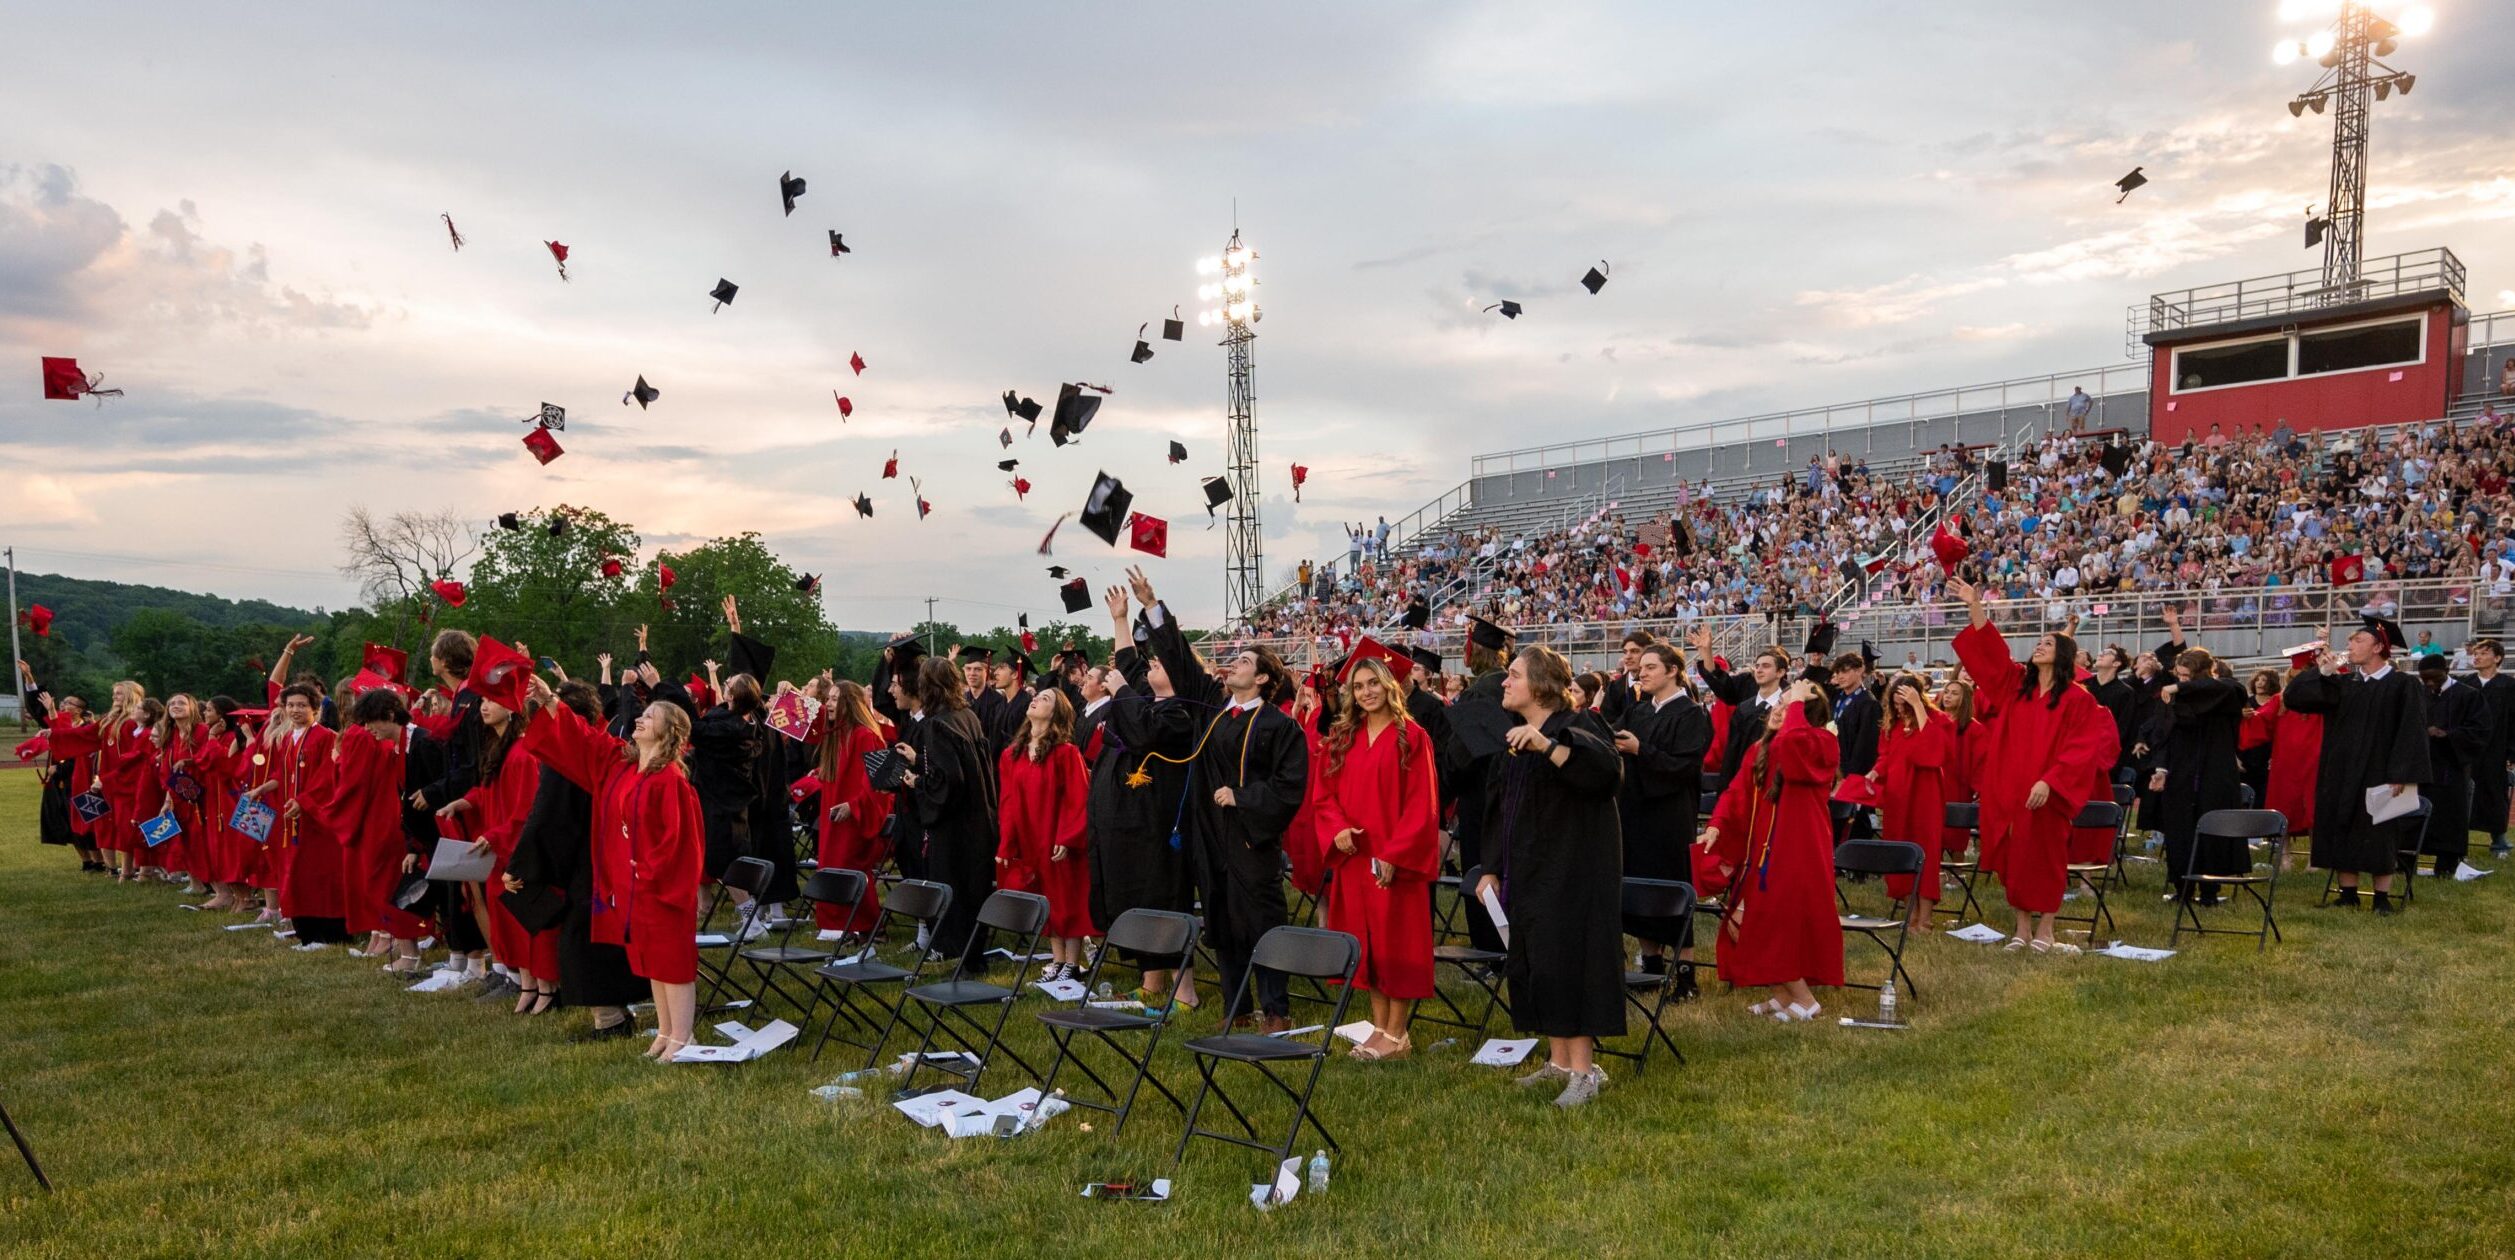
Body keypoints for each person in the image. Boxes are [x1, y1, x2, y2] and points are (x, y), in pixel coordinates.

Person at [1132, 566, 1307, 1032]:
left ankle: (1276, 1009)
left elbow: (1291, 787)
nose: (1235, 663)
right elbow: (1183, 663)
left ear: (1266, 679)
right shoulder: (1212, 708)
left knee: (1262, 924)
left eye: (1246, 661)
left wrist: (1244, 798)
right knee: (1224, 923)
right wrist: (1153, 607)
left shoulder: (1280, 727)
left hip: (1251, 840)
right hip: (1209, 838)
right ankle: (1238, 1006)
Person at [520, 669, 706, 1060]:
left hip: (660, 887)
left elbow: (681, 842)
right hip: (634, 886)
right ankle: (665, 1033)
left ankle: (683, 1038)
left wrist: (650, 874)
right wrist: (551, 701)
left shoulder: (671, 781)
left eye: (649, 716)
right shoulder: (622, 766)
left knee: (672, 961)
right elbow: (586, 741)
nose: (639, 718)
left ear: (669, 731)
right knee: (652, 962)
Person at [1474, 645, 1625, 1108]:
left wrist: (1550, 747)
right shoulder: (1516, 737)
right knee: (1540, 962)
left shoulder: (1575, 726)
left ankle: (1584, 1071)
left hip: (1574, 872)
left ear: (1540, 684)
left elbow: (1607, 774)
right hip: (1530, 873)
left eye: (1514, 675)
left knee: (1568, 962)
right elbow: (1498, 813)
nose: (1504, 682)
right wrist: (1491, 868)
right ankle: (1559, 1061)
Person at [1947, 575, 2118, 954]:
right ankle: (2021, 930)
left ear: (2064, 655)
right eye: (2039, 642)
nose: (2040, 646)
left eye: (2049, 643)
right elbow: (1991, 655)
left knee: (2045, 857)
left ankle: (2046, 930)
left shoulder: (2078, 700)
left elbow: (2080, 748)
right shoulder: (2017, 686)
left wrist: (2051, 781)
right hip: (2008, 787)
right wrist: (1975, 605)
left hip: (2047, 791)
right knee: (2013, 858)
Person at [1311, 653, 1441, 1061]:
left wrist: (1395, 854)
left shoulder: (1412, 736)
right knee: (1367, 945)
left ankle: (1398, 1034)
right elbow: (1323, 797)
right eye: (1359, 685)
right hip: (1355, 857)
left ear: (1390, 686)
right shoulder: (1343, 737)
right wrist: (1337, 831)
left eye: (1373, 684)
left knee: (1395, 944)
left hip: (1393, 860)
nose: (1366, 692)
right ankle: (1379, 1029)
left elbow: (1423, 805)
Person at [506, 679, 648, 1039]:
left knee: (584, 940)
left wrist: (524, 865)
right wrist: (551, 699)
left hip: (593, 861)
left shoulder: (600, 755)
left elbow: (548, 816)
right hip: (601, 857)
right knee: (596, 937)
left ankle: (611, 1019)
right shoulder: (594, 748)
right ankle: (615, 1015)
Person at [1700, 679, 1843, 1021]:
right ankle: (1781, 995)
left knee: (1776, 922)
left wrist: (1797, 706)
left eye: (1789, 706)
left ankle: (1805, 1001)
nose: (1779, 711)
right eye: (1780, 706)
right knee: (1740, 920)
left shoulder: (1821, 742)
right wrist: (1716, 824)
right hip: (1761, 849)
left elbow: (1795, 752)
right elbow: (1736, 792)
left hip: (1797, 847)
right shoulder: (1760, 749)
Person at [1093, 588, 1201, 1008]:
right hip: (1130, 822)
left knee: (1165, 897)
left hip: (1161, 823)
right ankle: (1152, 981)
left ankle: (1186, 992)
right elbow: (1127, 662)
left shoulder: (1180, 711)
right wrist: (1120, 618)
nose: (1150, 665)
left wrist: (1121, 693)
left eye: (1159, 663)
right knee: (1137, 895)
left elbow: (1142, 729)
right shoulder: (1147, 695)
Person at [2282, 616, 2430, 914]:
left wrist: (2401, 773)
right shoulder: (2343, 683)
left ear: (2378, 647)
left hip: (2380, 770)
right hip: (2340, 770)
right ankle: (2347, 893)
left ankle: (2381, 898)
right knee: (2341, 826)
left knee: (2379, 831)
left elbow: (2411, 731)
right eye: (2349, 640)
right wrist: (2321, 673)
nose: (2350, 645)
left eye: (2358, 640)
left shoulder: (2403, 684)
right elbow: (2294, 699)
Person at [1610, 641, 1711, 988]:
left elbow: (1684, 767)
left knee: (1670, 891)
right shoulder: (1638, 710)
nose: (1642, 672)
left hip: (1669, 816)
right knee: (1637, 891)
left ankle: (1685, 978)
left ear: (1672, 671)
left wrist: (1642, 750)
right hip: (1634, 813)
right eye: (1642, 667)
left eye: (1651, 666)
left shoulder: (1691, 714)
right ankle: (1651, 968)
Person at [900, 655, 999, 966]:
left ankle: (962, 955)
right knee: (973, 889)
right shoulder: (966, 715)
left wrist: (918, 782)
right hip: (979, 816)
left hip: (956, 825)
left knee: (955, 889)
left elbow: (949, 782)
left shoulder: (937, 724)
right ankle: (973, 955)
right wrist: (920, 760)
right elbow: (962, 767)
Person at [2146, 631, 2250, 904]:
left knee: (2212, 830)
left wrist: (2180, 688)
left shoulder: (2226, 691)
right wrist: (2161, 769)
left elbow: (2223, 688)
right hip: (2181, 774)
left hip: (2214, 773)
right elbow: (2163, 736)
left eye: (2187, 676)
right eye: (2178, 675)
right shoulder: (2174, 698)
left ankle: (2210, 890)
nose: (2181, 681)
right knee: (2179, 832)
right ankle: (2182, 888)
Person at [995, 688, 1092, 980]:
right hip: (1029, 837)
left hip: (1058, 838)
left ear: (1056, 714)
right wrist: (1006, 844)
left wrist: (1068, 837)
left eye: (1046, 699)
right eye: (1037, 697)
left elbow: (1078, 798)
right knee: (1045, 897)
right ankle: (1057, 960)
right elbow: (1008, 803)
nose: (1036, 699)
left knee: (1066, 896)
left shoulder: (1066, 753)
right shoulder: (1011, 755)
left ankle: (1073, 964)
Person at [805, 680, 896, 940]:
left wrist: (854, 805)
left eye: (834, 699)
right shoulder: (837, 733)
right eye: (828, 699)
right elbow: (808, 719)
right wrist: (790, 695)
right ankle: (837, 923)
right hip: (834, 812)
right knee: (831, 864)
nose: (828, 704)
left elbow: (882, 784)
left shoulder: (868, 735)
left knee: (851, 867)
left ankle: (870, 926)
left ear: (849, 704)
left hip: (856, 814)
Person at [265, 682, 351, 946]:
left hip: (317, 821)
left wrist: (303, 802)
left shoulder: (325, 737)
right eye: (290, 705)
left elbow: (327, 778)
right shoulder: (288, 739)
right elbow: (283, 775)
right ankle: (306, 933)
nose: (295, 710)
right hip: (295, 820)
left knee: (320, 876)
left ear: (315, 708)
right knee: (297, 875)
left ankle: (329, 934)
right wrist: (263, 788)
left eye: (302, 705)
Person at [1870, 673, 1957, 932]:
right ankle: (1911, 913)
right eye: (1895, 704)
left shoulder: (1938, 720)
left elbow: (1935, 753)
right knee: (1899, 847)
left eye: (1904, 703)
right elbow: (1885, 756)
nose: (1899, 709)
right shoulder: (1892, 725)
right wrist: (1875, 772)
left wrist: (1919, 707)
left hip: (1925, 793)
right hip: (1897, 795)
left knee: (1925, 850)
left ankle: (1926, 918)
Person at [2415, 654, 2485, 879]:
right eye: (2424, 678)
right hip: (2423, 765)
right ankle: (2406, 860)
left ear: (2446, 670)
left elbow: (2480, 730)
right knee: (2414, 815)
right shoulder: (2421, 694)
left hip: (2451, 766)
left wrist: (2448, 735)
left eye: (2433, 677)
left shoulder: (2468, 695)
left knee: (2449, 816)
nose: (2429, 683)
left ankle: (2446, 864)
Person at [2461, 638, 2515, 860]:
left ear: (2497, 658)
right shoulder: (2465, 683)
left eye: (2483, 653)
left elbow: (2514, 722)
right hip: (2466, 750)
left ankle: (2499, 841)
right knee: (2462, 794)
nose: (2477, 656)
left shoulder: (2510, 686)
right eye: (2475, 653)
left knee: (2495, 794)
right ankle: (2458, 841)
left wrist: (2512, 753)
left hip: (2496, 749)